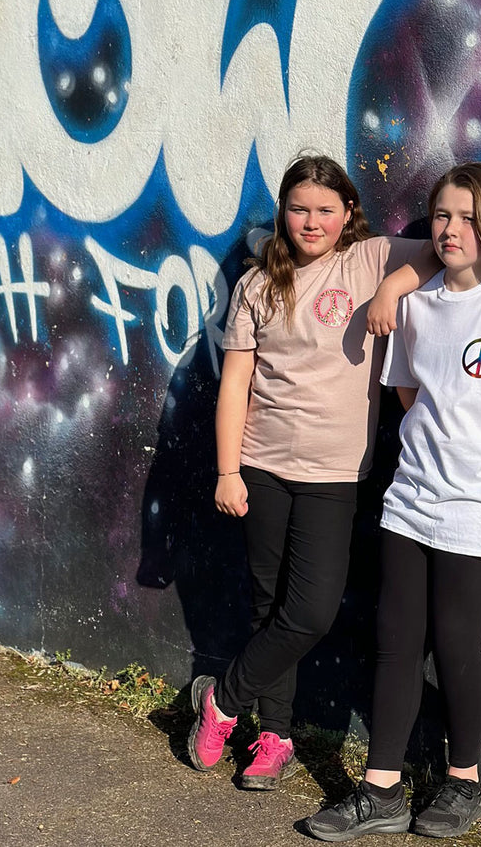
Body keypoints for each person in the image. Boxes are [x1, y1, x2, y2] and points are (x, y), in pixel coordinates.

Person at [305, 162, 481, 840]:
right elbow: (408, 392)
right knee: (396, 641)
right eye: (441, 216)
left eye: (467, 217)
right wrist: (436, 445)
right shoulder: (418, 307)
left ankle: (464, 783)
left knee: (454, 639)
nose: (451, 229)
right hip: (412, 499)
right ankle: (381, 792)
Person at [187, 154, 439, 791]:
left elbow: (449, 249)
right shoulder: (256, 285)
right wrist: (226, 472)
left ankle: (221, 699)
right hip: (261, 465)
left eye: (326, 209)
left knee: (312, 611)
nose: (311, 221)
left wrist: (389, 289)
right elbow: (236, 383)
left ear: (348, 213)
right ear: (283, 212)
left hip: (334, 474)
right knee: (270, 608)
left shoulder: (368, 260)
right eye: (299, 208)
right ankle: (274, 736)